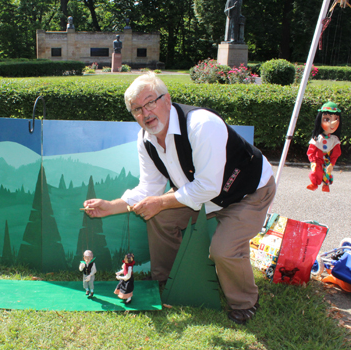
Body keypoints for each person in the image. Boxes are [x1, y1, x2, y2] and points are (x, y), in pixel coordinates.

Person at [83, 72, 276, 325]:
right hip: (200, 192)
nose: (146, 113)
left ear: (167, 99)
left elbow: (208, 186)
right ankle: (168, 280)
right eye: (137, 109)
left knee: (223, 249)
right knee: (158, 215)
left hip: (247, 191)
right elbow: (149, 187)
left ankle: (245, 302)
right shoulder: (145, 140)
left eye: (150, 102)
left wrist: (162, 201)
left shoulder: (201, 125)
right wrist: (111, 206)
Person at [307, 101, 342, 192]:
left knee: (328, 171)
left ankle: (326, 184)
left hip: (328, 159)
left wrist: (332, 163)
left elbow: (336, 153)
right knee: (316, 171)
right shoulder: (317, 139)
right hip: (318, 159)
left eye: (336, 119)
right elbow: (311, 150)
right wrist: (312, 161)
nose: (332, 123)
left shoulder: (334, 140)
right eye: (327, 119)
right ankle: (314, 183)